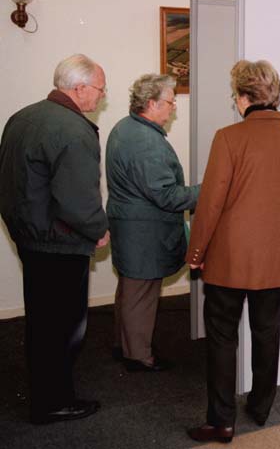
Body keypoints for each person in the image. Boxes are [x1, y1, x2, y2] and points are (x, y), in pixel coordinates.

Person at [185, 59, 280, 443]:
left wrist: (196, 253)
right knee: (267, 331)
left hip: (228, 259)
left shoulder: (228, 137)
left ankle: (222, 421)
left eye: (235, 96)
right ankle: (260, 407)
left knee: (223, 337)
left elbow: (210, 203)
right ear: (274, 96)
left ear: (243, 98)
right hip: (276, 257)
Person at [0, 54, 109, 424]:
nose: (101, 97)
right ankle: (54, 402)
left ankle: (45, 394)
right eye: (99, 89)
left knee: (42, 322)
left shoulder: (22, 117)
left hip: (30, 237)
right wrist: (98, 228)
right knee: (62, 327)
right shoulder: (73, 129)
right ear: (79, 89)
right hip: (59, 244)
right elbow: (77, 199)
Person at [106, 74, 200, 372]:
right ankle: (138, 357)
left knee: (130, 290)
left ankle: (128, 344)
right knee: (140, 296)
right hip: (144, 232)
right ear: (151, 103)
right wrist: (207, 190)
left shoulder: (126, 127)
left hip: (130, 226)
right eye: (171, 102)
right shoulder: (146, 142)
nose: (174, 108)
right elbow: (168, 196)